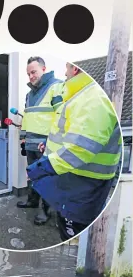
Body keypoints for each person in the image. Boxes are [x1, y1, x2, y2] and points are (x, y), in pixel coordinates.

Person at [27, 63, 122, 241]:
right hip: (75, 180)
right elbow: (70, 135)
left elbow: (80, 148)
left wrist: (38, 169)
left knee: (73, 232)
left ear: (76, 70)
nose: (64, 73)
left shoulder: (92, 99)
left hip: (83, 184)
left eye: (67, 69)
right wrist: (47, 145)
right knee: (67, 225)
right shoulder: (79, 97)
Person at [17, 57, 63, 225]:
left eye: (33, 72)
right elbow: (27, 118)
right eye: (28, 73)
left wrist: (52, 143)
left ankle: (45, 212)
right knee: (32, 175)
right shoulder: (29, 94)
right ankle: (32, 201)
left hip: (46, 145)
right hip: (30, 143)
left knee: (46, 178)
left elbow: (61, 118)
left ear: (44, 69)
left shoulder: (56, 86)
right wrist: (23, 138)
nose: (31, 76)